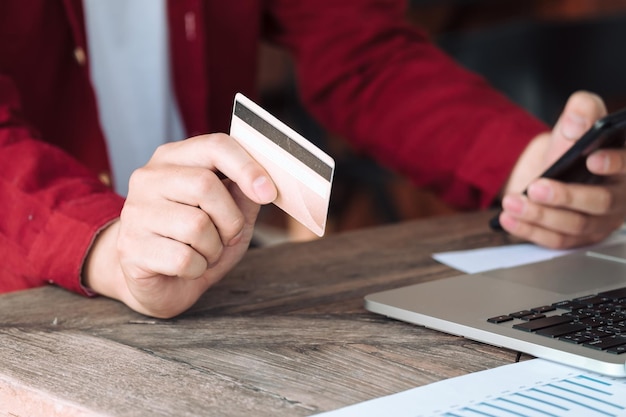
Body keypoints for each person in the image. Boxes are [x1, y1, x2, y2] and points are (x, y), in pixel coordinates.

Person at [1, 1, 625, 318]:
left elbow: (362, 52)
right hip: (30, 298)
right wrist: (105, 243)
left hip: (215, 278)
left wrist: (526, 168)